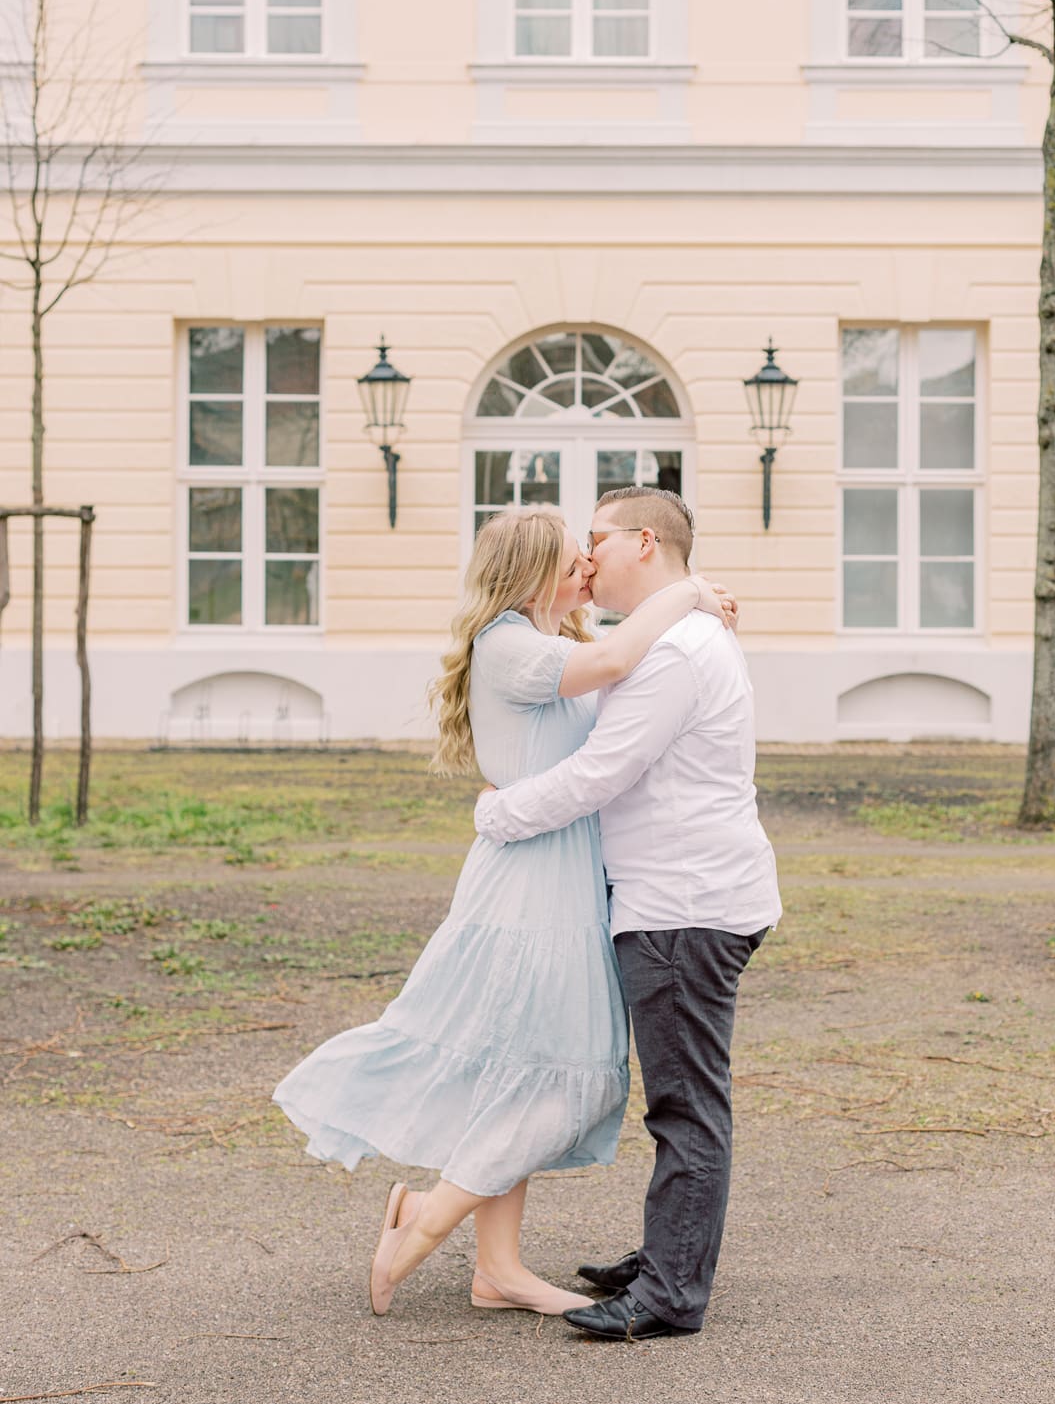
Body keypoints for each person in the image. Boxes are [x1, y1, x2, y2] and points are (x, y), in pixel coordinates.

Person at [273, 504, 733, 1319]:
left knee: (521, 1064)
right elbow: (629, 650)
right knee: (548, 1071)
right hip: (528, 882)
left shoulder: (555, 646)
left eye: (589, 556)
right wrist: (690, 589)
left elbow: (626, 678)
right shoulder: (510, 646)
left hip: (560, 873)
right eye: (572, 559)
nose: (588, 570)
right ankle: (424, 1219)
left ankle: (500, 1268)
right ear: (529, 574)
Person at [474, 486, 782, 1343]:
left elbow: (598, 773)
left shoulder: (677, 651)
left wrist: (495, 813)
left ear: (644, 542)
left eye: (598, 539)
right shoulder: (662, 635)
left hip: (686, 905)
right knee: (681, 1096)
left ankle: (672, 1292)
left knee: (685, 1104)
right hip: (673, 896)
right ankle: (667, 1255)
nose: (586, 555)